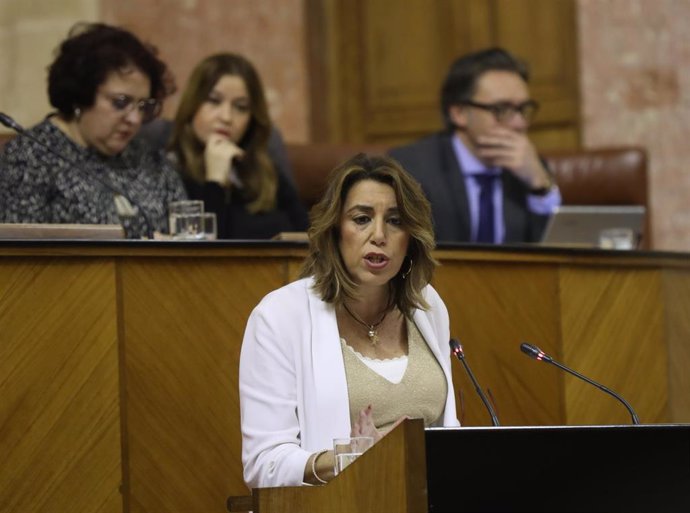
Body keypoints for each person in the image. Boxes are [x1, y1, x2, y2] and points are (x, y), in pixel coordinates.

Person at [239, 153, 460, 488]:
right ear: (334, 230)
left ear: (411, 237)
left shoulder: (427, 305)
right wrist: (353, 457)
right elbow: (263, 464)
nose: (379, 235)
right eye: (361, 219)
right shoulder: (280, 316)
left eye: (396, 221)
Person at [0, 22, 187, 238]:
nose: (135, 118)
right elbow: (18, 258)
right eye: (120, 102)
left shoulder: (149, 158)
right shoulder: (30, 156)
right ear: (82, 95)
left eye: (143, 106)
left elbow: (185, 231)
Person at [389, 47, 561, 244]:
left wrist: (539, 185)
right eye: (501, 109)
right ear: (459, 113)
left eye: (523, 109)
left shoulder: (530, 169)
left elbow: (552, 255)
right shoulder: (411, 169)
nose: (519, 123)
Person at [168, 53, 308, 239]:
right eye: (214, 101)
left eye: (240, 107)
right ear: (192, 105)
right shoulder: (169, 171)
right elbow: (202, 255)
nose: (226, 117)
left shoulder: (264, 169)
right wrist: (215, 181)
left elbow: (310, 237)